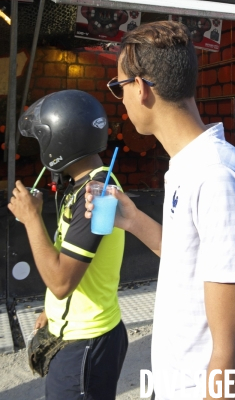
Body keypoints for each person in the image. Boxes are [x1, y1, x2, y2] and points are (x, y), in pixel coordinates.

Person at [86, 21, 235, 400]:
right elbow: (189, 259)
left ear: (140, 87)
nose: (120, 99)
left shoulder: (215, 176)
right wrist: (131, 219)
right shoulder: (187, 165)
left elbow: (230, 347)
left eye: (118, 88)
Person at [8, 90, 127, 400]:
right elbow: (77, 261)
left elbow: (62, 281)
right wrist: (52, 311)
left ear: (58, 142)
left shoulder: (99, 196)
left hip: (86, 342)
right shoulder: (83, 187)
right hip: (77, 332)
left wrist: (31, 219)